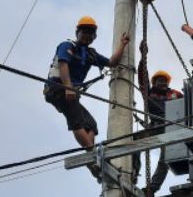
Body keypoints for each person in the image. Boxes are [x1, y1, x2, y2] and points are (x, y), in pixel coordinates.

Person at [44, 16, 130, 151]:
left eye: (91, 33)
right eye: (84, 32)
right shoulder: (67, 45)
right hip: (58, 88)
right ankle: (93, 153)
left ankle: (91, 153)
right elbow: (63, 64)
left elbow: (112, 62)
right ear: (77, 33)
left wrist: (122, 45)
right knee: (77, 122)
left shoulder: (90, 54)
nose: (87, 35)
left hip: (70, 92)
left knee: (91, 125)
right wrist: (68, 88)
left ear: (94, 36)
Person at [145, 70, 183, 193]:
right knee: (132, 142)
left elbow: (189, 104)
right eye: (160, 81)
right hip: (155, 127)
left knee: (166, 158)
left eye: (165, 81)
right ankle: (132, 171)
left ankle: (152, 188)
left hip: (171, 128)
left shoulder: (175, 94)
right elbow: (143, 80)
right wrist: (142, 65)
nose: (163, 83)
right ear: (154, 83)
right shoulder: (149, 93)